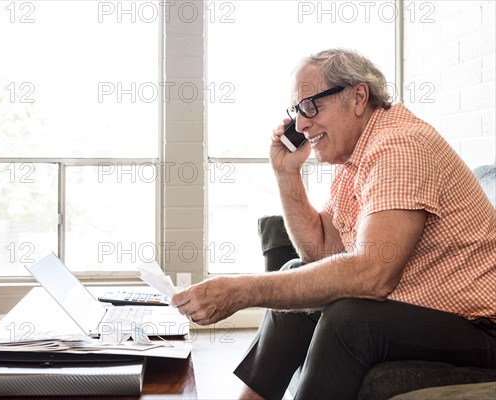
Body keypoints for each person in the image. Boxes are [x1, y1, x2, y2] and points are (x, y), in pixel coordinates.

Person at [171, 48, 496, 400]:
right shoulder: (354, 157)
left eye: (310, 106)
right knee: (295, 273)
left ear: (358, 97)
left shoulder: (400, 146)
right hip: (427, 313)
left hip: (480, 326)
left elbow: (372, 274)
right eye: (297, 111)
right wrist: (286, 174)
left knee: (351, 319)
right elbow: (318, 252)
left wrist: (241, 291)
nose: (300, 124)